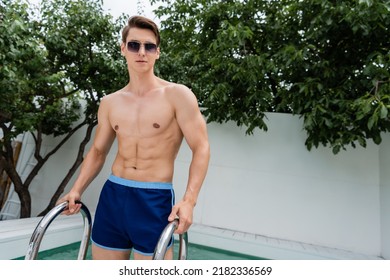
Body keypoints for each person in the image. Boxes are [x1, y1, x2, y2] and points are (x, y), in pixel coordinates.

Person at [58, 15, 210, 260]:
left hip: (153, 199)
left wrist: (189, 201)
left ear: (157, 52)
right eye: (134, 45)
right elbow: (98, 151)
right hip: (113, 196)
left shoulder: (177, 95)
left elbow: (201, 147)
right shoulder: (110, 103)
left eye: (149, 46)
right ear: (123, 49)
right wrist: (76, 189)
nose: (142, 52)